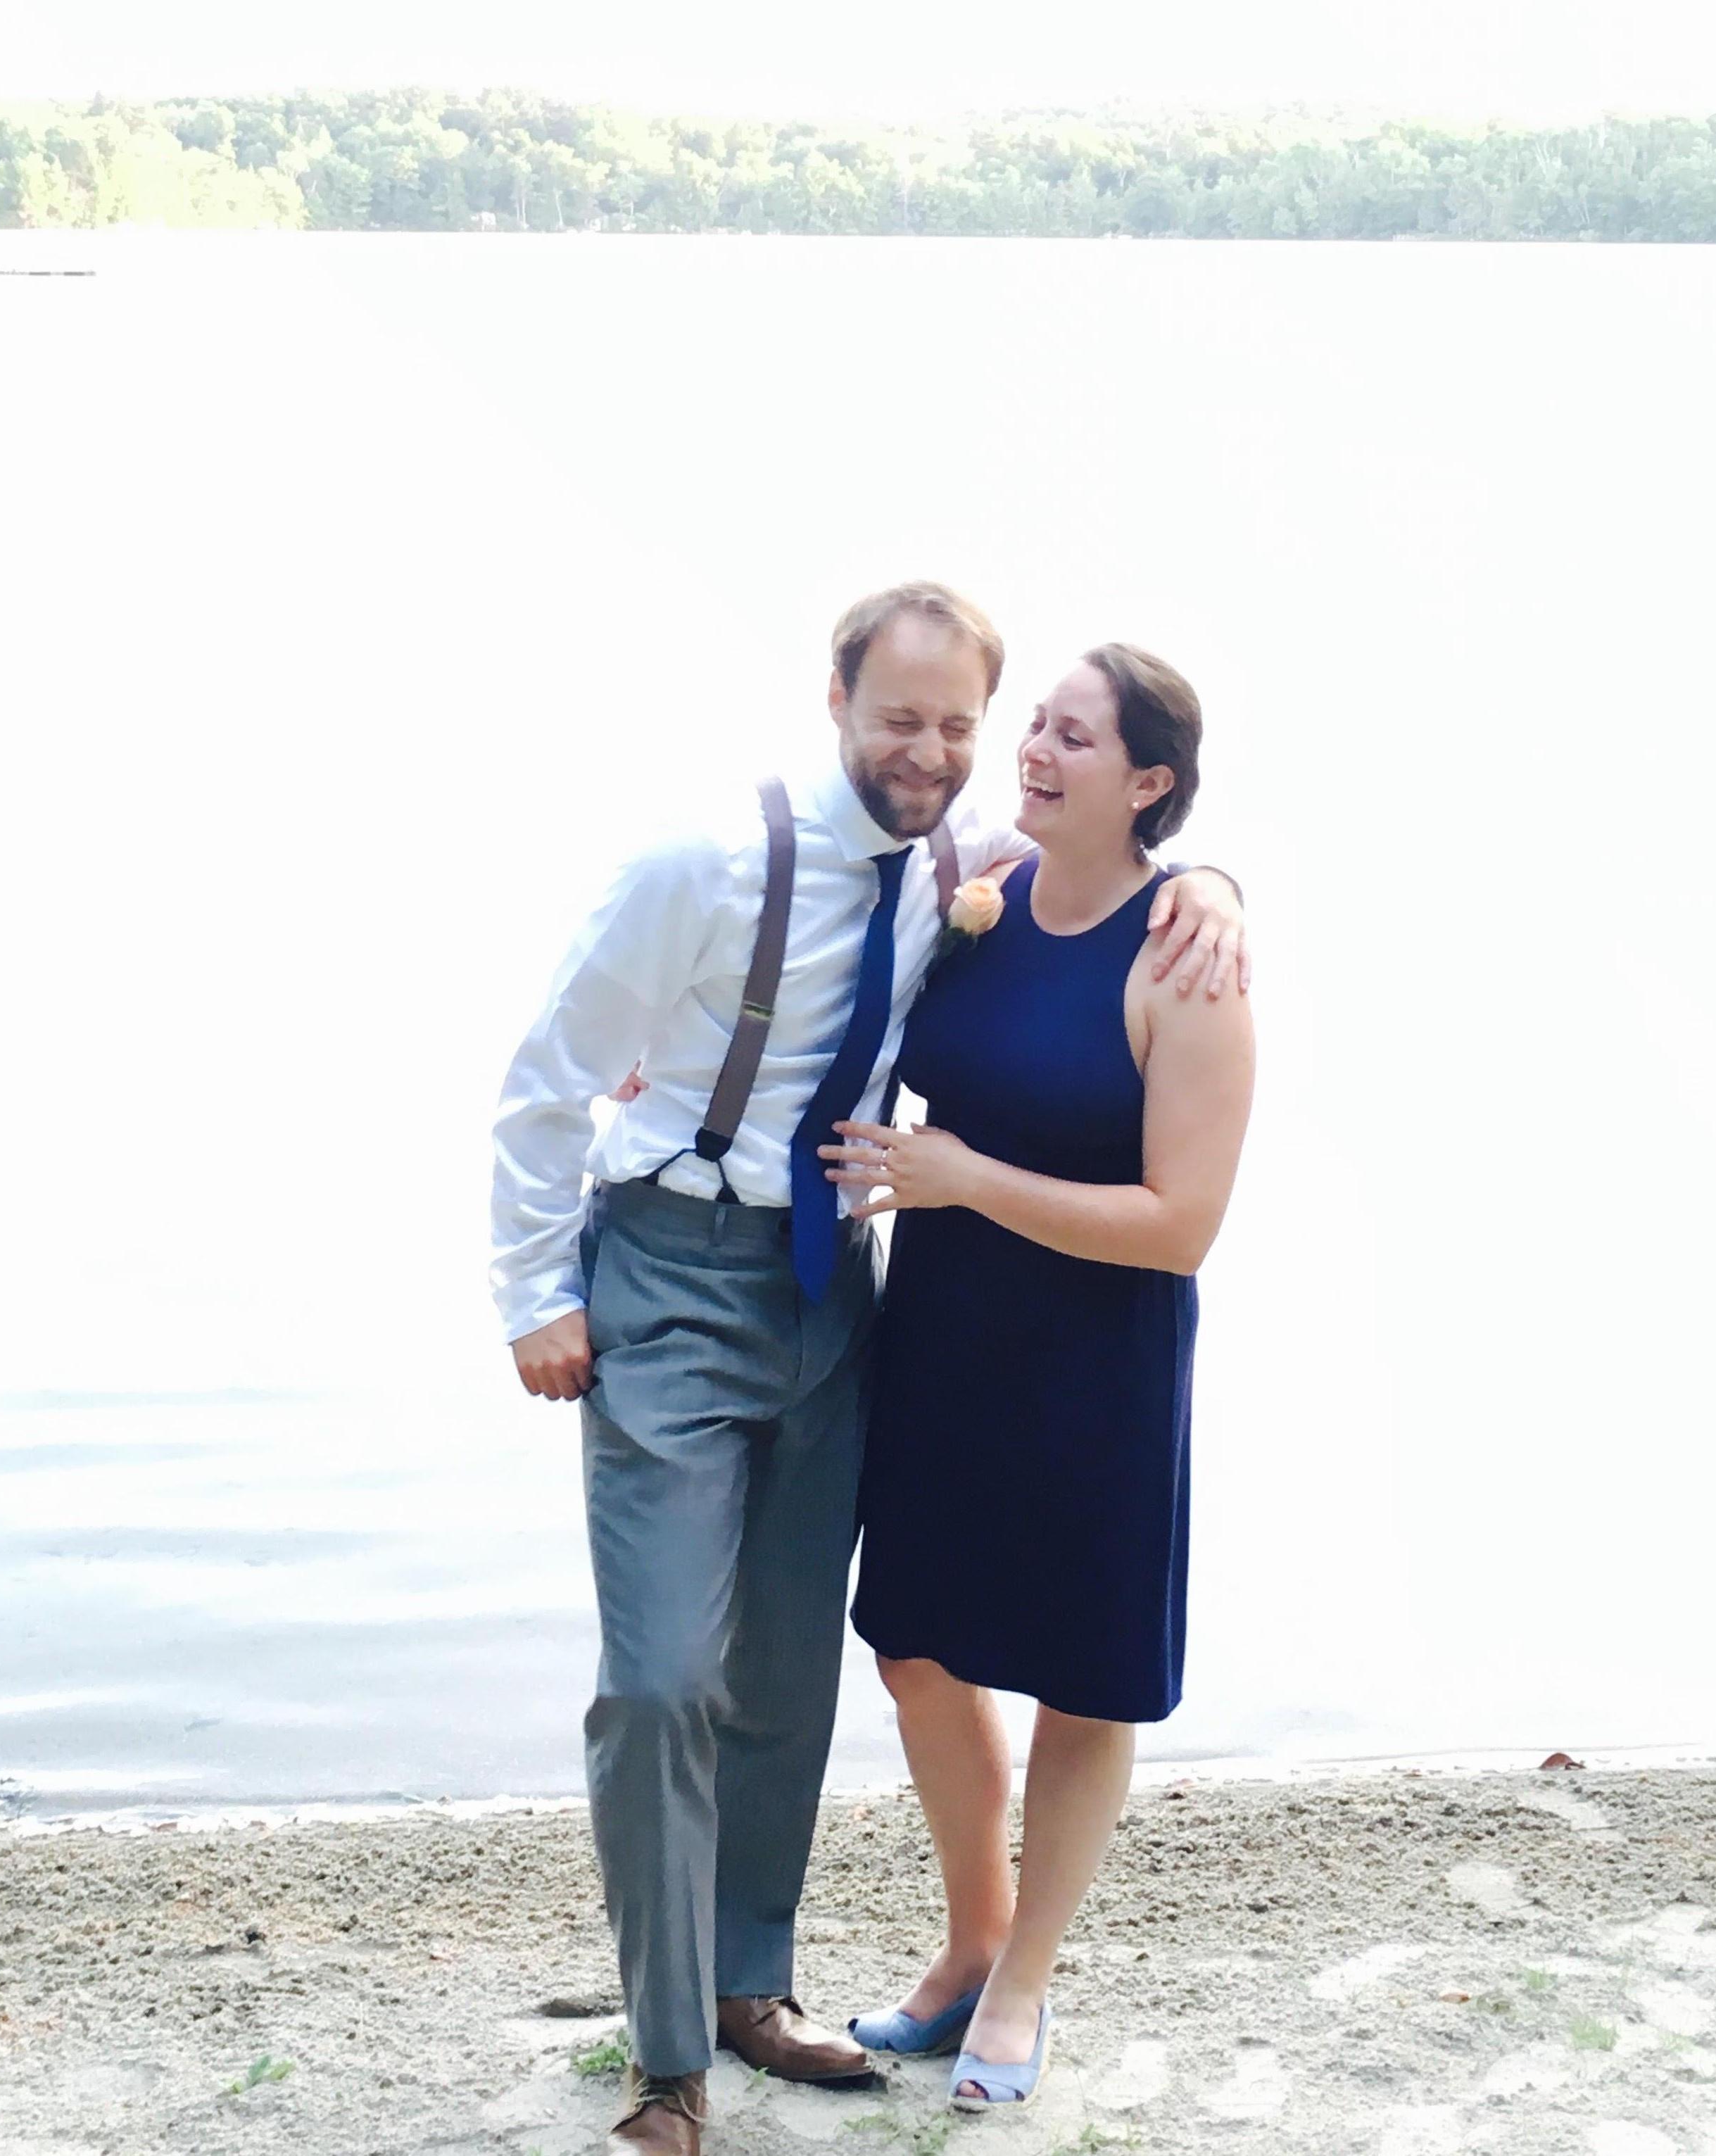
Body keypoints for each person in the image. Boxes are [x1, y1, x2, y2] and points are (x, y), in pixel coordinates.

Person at [488, 584, 1251, 2155]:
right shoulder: (807, 870)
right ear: (833, 698)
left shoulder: (1042, 903)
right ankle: (679, 2056)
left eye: (970, 725)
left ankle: (797, 1983)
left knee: (825, 1670)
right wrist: (534, 1289)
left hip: (914, 1315)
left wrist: (1218, 884)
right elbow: (558, 1073)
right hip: (777, 1298)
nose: (947, 750)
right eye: (907, 718)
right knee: (721, 1672)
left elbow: (1166, 1150)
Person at [828, 642, 1256, 2112]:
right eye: (1038, 726)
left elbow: (1180, 1225)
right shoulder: (986, 889)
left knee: (1082, 1683)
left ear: (1147, 782)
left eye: (1073, 736)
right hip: (945, 1337)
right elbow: (829, 928)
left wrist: (960, 1179)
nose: (1034, 748)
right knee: (912, 1646)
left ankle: (1021, 1983)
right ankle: (968, 1940)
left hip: (1099, 1360)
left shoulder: (1183, 958)